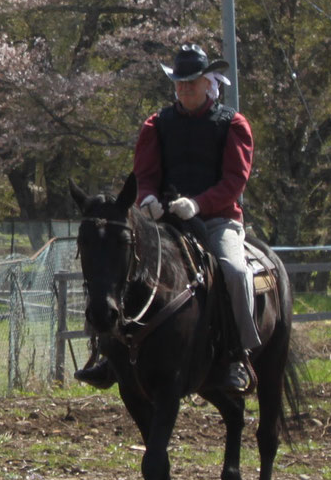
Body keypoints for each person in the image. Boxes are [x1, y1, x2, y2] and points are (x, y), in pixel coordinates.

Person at [77, 43, 259, 394]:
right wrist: (147, 199)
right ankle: (107, 352)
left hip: (218, 219)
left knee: (234, 271)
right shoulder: (156, 124)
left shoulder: (233, 124)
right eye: (179, 82)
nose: (185, 88)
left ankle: (239, 354)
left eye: (192, 81)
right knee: (119, 265)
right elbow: (145, 174)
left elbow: (235, 181)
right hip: (164, 220)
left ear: (209, 83)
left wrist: (199, 204)